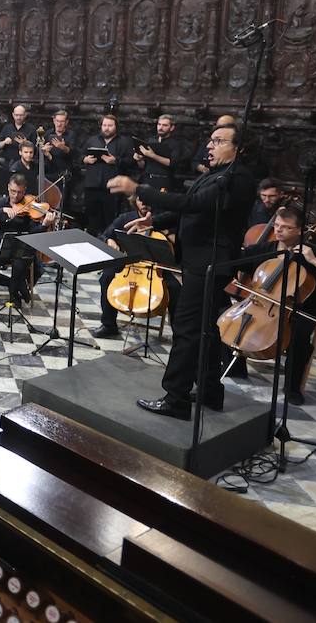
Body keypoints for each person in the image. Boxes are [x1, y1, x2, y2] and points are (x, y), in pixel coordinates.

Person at [109, 123, 255, 419]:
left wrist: (140, 189)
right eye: (210, 141)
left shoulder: (238, 178)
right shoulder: (218, 175)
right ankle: (210, 391)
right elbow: (187, 209)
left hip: (210, 263)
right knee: (206, 330)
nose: (210, 147)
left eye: (218, 141)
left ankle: (175, 398)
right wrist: (154, 222)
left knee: (187, 329)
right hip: (199, 261)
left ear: (237, 148)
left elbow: (194, 202)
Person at [242, 206, 316, 404]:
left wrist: (314, 261)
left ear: (300, 231)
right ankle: (236, 371)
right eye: (277, 225)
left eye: (286, 227)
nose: (278, 230)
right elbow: (235, 261)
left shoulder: (313, 254)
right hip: (264, 307)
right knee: (223, 318)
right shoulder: (265, 250)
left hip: (301, 312)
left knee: (298, 335)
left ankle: (292, 388)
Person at [92, 195, 176, 339]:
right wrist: (110, 241)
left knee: (175, 288)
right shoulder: (126, 218)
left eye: (148, 201)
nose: (144, 204)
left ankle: (178, 333)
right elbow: (105, 234)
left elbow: (176, 244)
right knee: (106, 277)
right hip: (129, 264)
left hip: (156, 267)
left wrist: (166, 233)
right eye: (140, 200)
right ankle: (108, 324)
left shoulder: (165, 219)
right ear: (134, 202)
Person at [0, 173, 58, 308]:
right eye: (13, 191)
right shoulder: (2, 202)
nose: (15, 196)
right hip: (3, 248)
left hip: (23, 250)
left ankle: (15, 296)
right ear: (8, 188)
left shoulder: (31, 207)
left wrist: (44, 225)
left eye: (19, 192)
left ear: (24, 190)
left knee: (19, 266)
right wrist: (3, 210)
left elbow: (34, 234)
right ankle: (16, 285)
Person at [82, 113, 134, 235]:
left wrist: (115, 160)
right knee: (92, 220)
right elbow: (80, 155)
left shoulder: (124, 142)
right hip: (92, 186)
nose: (106, 128)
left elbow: (131, 162)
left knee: (111, 220)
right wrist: (85, 159)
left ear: (116, 126)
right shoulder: (92, 140)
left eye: (110, 125)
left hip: (112, 188)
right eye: (104, 125)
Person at [134, 114, 178, 192]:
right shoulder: (151, 140)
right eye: (159, 124)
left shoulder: (175, 143)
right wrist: (139, 159)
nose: (160, 128)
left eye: (165, 125)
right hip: (147, 179)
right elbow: (143, 166)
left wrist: (153, 156)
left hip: (164, 180)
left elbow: (172, 163)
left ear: (172, 128)